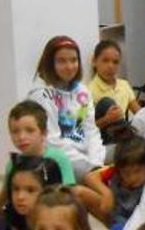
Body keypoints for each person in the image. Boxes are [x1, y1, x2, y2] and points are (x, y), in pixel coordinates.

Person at [28, 36, 104, 179]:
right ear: (50, 63)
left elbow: (91, 130)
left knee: (127, 156)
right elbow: (53, 141)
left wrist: (96, 163)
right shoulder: (41, 95)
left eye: (73, 60)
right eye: (61, 61)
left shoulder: (83, 91)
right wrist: (89, 167)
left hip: (87, 158)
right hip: (58, 161)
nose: (69, 66)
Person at [81, 135, 145, 230]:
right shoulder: (114, 172)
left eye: (137, 171)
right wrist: (106, 192)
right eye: (126, 173)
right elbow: (89, 177)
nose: (132, 177)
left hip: (139, 225)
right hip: (116, 216)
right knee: (78, 192)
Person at [2, 101, 76, 192]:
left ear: (44, 133)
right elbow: (6, 193)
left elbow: (69, 194)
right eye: (15, 131)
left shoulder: (59, 158)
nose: (21, 137)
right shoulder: (13, 164)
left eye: (30, 131)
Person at [88, 40, 140, 144]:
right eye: (105, 61)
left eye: (115, 62)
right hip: (101, 141)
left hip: (121, 135)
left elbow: (140, 114)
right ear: (94, 61)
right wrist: (106, 119)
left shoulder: (124, 85)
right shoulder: (87, 91)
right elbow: (82, 128)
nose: (110, 66)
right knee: (106, 103)